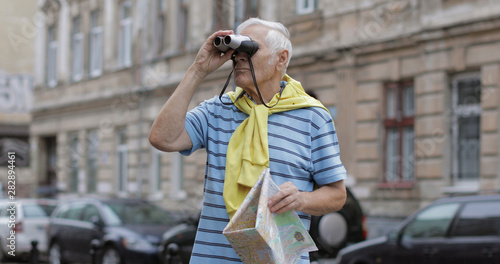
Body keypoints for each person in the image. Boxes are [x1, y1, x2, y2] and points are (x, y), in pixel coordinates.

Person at [149, 18, 347, 264]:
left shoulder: (313, 117)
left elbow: (337, 195)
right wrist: (198, 69)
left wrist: (302, 199)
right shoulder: (216, 110)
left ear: (281, 58)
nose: (239, 56)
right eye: (237, 49)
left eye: (250, 48)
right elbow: (162, 138)